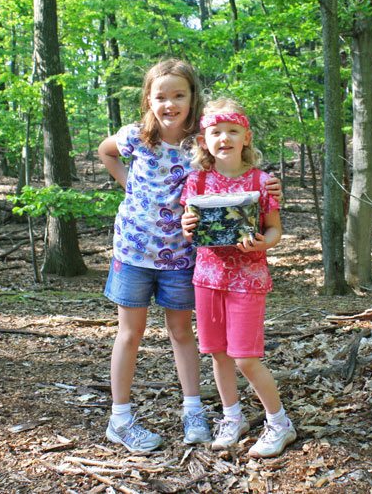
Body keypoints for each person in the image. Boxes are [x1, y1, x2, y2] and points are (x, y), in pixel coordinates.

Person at [97, 60, 281, 453]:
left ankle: (193, 410)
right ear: (148, 99)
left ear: (191, 98)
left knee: (182, 333)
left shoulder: (199, 145)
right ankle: (120, 418)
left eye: (179, 95)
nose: (169, 103)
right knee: (130, 334)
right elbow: (105, 151)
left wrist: (269, 184)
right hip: (132, 250)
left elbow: (234, 171)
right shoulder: (134, 137)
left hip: (181, 256)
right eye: (160, 96)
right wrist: (130, 187)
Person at [180, 98, 296, 459]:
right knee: (217, 353)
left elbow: (275, 231)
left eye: (232, 131)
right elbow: (191, 229)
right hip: (207, 277)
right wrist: (187, 227)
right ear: (204, 141)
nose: (224, 138)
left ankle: (279, 423)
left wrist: (263, 242)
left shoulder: (262, 182)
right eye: (215, 132)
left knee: (245, 357)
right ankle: (233, 418)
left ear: (246, 137)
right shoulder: (197, 180)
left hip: (248, 278)